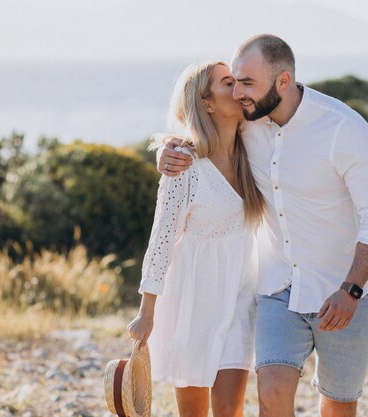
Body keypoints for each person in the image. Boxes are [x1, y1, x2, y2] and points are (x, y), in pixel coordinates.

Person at [157, 35, 368, 417]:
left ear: (282, 81)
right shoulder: (249, 124)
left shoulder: (343, 128)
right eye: (233, 82)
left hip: (345, 291)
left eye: (247, 83)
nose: (237, 93)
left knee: (337, 403)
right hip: (278, 290)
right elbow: (205, 137)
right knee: (271, 391)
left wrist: (350, 289)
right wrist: (169, 149)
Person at [127, 61, 265, 417]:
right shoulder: (184, 166)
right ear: (207, 104)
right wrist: (147, 312)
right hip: (194, 303)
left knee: (230, 410)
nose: (239, 90)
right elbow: (161, 240)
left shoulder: (255, 146)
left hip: (240, 298)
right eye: (228, 83)